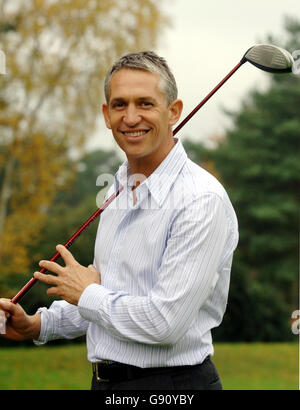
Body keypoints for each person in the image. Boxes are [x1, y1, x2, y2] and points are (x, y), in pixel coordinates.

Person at [0, 51, 238, 390]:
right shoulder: (118, 187)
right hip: (105, 384)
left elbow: (163, 323)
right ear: (106, 114)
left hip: (172, 387)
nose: (130, 117)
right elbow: (108, 299)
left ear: (174, 111)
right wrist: (38, 324)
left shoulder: (201, 200)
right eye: (119, 105)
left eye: (145, 104)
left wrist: (87, 292)